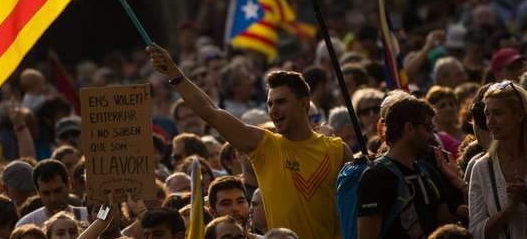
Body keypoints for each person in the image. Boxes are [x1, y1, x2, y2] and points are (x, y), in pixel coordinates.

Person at [147, 45, 350, 239]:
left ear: (304, 104)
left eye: (281, 102)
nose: (273, 110)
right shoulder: (264, 145)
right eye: (269, 104)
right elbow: (211, 112)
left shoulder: (338, 150)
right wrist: (174, 74)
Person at [357, 96, 455, 238]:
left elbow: (446, 227)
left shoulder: (428, 172)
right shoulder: (375, 177)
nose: (432, 136)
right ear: (409, 128)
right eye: (428, 128)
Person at [468, 81, 527, 238]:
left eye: (498, 113)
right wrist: (508, 210)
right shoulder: (482, 168)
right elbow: (475, 232)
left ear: (519, 115)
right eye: (488, 114)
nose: (490, 121)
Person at [15, 160, 87, 227]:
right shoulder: (26, 225)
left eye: (57, 191)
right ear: (38, 192)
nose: (53, 199)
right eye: (46, 193)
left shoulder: (89, 217)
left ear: (69, 185)